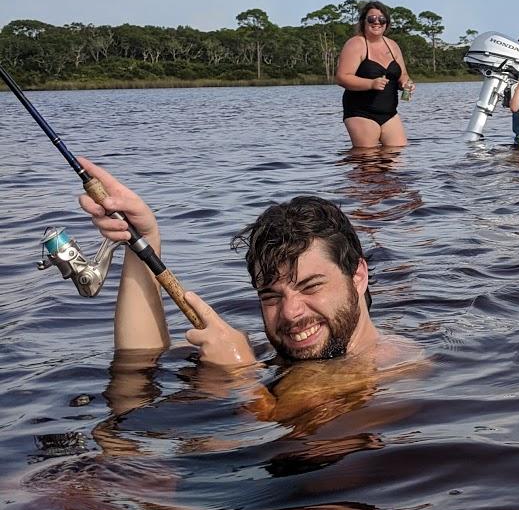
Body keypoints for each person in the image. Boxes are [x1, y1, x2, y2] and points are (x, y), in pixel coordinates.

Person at [77, 156, 422, 375]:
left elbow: (313, 442)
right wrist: (142, 239)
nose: (290, 313)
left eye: (310, 285)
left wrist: (240, 376)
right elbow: (141, 365)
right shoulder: (268, 351)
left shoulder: (394, 369)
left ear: (358, 275)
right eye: (270, 295)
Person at [335, 0, 414, 150]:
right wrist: (370, 84)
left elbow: (403, 74)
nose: (377, 22)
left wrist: (405, 83)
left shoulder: (393, 45)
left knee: (398, 157)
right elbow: (342, 77)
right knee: (368, 162)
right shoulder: (356, 44)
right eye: (371, 18)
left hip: (389, 112)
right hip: (361, 112)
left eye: (381, 19)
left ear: (387, 23)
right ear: (363, 21)